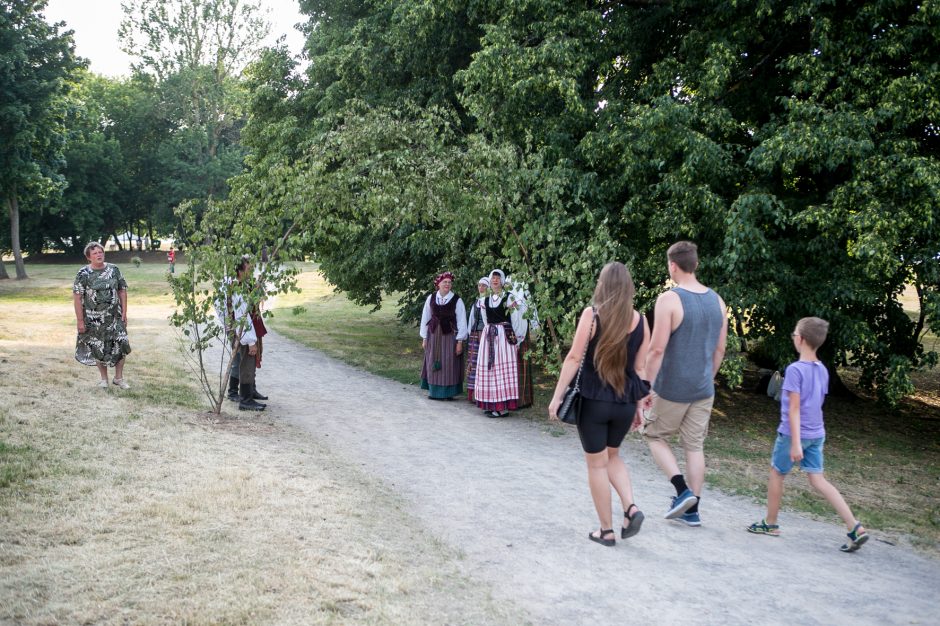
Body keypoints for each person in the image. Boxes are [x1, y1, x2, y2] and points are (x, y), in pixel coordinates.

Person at [549, 262, 651, 546]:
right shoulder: (641, 321)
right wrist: (641, 405)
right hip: (624, 403)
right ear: (629, 288)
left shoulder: (592, 316)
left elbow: (573, 358)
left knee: (597, 466)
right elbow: (641, 369)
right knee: (613, 457)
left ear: (602, 286)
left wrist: (558, 396)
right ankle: (631, 507)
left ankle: (606, 531)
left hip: (594, 402)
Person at [747, 317, 869, 552]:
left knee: (777, 473)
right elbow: (817, 402)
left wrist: (795, 442)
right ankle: (855, 526)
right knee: (818, 480)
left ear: (801, 339)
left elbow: (794, 408)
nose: (794, 337)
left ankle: (770, 523)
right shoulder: (822, 369)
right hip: (817, 433)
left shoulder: (794, 370)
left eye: (794, 334)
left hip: (793, 434)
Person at [643, 241, 727, 526]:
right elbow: (720, 350)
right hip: (704, 388)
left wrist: (645, 385)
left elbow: (656, 350)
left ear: (672, 266)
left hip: (672, 387)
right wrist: (707, 377)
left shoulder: (669, 300)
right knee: (694, 447)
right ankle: (693, 511)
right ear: (696, 264)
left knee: (653, 435)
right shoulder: (717, 300)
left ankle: (681, 491)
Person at [73, 241, 132, 388]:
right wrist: (80, 321)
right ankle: (104, 379)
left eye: (100, 252)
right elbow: (77, 297)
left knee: (121, 343)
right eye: (95, 253)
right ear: (89, 257)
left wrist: (124, 312)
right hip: (94, 319)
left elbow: (122, 290)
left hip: (115, 317)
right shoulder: (83, 274)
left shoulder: (114, 270)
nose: (99, 255)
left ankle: (119, 378)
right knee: (98, 347)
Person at [474, 269, 528, 417]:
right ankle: (490, 404)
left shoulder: (509, 298)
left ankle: (501, 407)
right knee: (489, 370)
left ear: (502, 281)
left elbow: (516, 318)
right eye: (493, 278)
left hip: (504, 337)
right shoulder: (485, 300)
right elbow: (485, 320)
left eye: (498, 278)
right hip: (490, 336)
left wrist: (516, 338)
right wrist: (490, 331)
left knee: (501, 371)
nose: (495, 280)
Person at [221, 256, 266, 411]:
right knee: (246, 362)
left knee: (248, 362)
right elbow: (240, 315)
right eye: (248, 268)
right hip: (242, 332)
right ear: (239, 270)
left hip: (241, 330)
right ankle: (245, 399)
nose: (251, 270)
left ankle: (247, 395)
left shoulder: (238, 284)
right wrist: (250, 339)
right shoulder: (235, 287)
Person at [420, 272, 468, 399]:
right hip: (433, 334)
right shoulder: (431, 298)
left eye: (449, 282)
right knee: (432, 360)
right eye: (444, 282)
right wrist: (424, 337)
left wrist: (459, 341)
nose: (447, 284)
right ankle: (433, 391)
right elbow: (426, 317)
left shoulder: (457, 300)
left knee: (449, 362)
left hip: (449, 336)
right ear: (438, 284)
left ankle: (448, 393)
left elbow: (462, 321)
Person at [465, 277, 489, 403]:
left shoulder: (490, 301)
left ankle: (483, 393)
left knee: (484, 363)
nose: (481, 288)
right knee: (473, 363)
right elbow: (471, 320)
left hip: (486, 335)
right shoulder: (476, 302)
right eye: (479, 285)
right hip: (475, 335)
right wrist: (470, 334)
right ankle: (472, 393)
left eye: (484, 286)